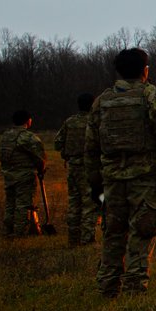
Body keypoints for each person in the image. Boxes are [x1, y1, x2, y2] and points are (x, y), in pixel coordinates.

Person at [85, 48, 156, 298]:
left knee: (113, 232)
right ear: (145, 70)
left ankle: (107, 285)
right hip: (143, 180)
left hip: (111, 182)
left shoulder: (102, 101)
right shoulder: (153, 98)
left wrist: (95, 183)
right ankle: (134, 285)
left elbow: (90, 147)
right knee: (143, 230)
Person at [54, 93, 101, 245]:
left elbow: (58, 143)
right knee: (90, 203)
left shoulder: (70, 122)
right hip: (90, 168)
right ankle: (87, 238)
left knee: (74, 203)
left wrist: (67, 154)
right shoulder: (94, 122)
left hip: (73, 168)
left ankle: (73, 238)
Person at [0, 109, 46, 237]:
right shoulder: (28, 137)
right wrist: (41, 170)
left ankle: (8, 230)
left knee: (10, 203)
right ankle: (19, 232)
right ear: (28, 121)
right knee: (23, 205)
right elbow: (40, 157)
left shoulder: (6, 136)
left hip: (8, 175)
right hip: (24, 176)